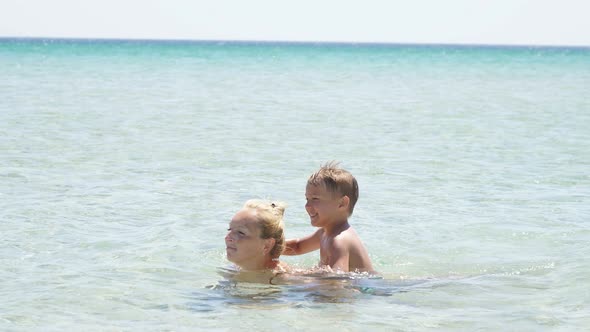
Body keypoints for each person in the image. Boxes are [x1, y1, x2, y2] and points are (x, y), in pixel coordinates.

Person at [283, 162, 374, 273]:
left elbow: (336, 277)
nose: (307, 206)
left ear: (342, 203)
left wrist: (292, 274)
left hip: (367, 289)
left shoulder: (339, 240)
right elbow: (297, 247)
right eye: (307, 199)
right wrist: (269, 247)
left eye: (315, 199)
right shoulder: (324, 233)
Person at [225, 199, 289, 275]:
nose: (227, 237)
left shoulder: (290, 280)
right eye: (230, 229)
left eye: (241, 232)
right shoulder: (230, 272)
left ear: (267, 245)